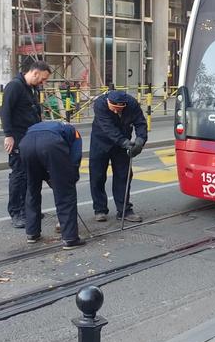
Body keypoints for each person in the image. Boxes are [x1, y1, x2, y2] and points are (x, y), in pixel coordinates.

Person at [19, 121, 87, 250]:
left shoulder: (42, 125)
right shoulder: (74, 132)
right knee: (65, 192)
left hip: (26, 144)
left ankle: (32, 233)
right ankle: (70, 238)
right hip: (51, 144)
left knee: (32, 189)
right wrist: (70, 179)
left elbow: (40, 160)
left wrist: (48, 176)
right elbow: (75, 157)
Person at [1, 60, 51, 228]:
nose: (42, 83)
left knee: (31, 174)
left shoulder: (32, 88)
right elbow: (5, 111)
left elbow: (34, 111)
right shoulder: (14, 86)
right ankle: (16, 212)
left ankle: (29, 209)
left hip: (30, 137)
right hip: (17, 138)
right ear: (35, 73)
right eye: (42, 79)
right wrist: (8, 135)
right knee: (19, 175)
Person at [89, 90, 148, 222]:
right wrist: (125, 143)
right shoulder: (100, 104)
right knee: (97, 176)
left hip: (122, 145)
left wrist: (140, 140)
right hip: (101, 142)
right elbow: (108, 128)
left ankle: (124, 210)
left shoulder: (132, 104)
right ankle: (100, 209)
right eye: (114, 109)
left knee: (124, 175)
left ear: (125, 105)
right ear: (108, 102)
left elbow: (140, 122)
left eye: (119, 109)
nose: (116, 112)